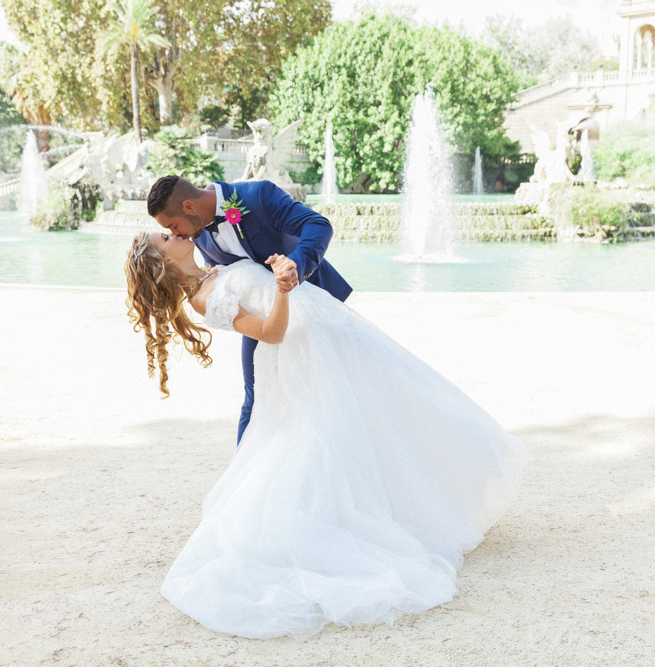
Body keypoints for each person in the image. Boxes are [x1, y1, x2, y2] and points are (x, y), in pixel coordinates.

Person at [124, 230, 526, 640]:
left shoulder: (216, 265)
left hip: (328, 331)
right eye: (165, 237)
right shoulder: (203, 299)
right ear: (163, 261)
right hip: (303, 352)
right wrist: (282, 288)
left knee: (393, 406)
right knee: (322, 438)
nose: (174, 233)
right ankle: (331, 522)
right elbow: (272, 332)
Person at [147, 175, 351, 444]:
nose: (176, 234)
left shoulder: (258, 196)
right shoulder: (196, 235)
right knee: (255, 397)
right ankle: (244, 473)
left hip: (313, 305)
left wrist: (295, 267)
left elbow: (317, 225)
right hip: (262, 323)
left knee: (332, 387)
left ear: (188, 206)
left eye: (173, 226)